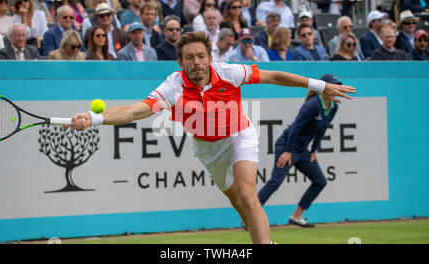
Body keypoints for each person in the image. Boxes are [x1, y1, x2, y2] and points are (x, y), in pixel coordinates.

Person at [65, 31, 355, 244]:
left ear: (209, 57)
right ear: (180, 61)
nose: (196, 62)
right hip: (207, 148)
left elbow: (274, 76)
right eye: (189, 58)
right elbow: (135, 111)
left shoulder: (228, 72)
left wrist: (319, 86)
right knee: (239, 202)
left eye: (201, 56)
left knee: (247, 192)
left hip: (239, 135)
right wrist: (95, 118)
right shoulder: (173, 86)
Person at [258, 73, 342, 228]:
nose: (336, 88)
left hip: (302, 150)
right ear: (322, 88)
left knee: (320, 181)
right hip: (286, 146)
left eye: (337, 85)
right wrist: (288, 151)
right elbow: (296, 126)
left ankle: (297, 215)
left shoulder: (334, 106)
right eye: (331, 85)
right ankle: (249, 217)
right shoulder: (313, 104)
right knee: (275, 182)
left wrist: (313, 151)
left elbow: (323, 129)